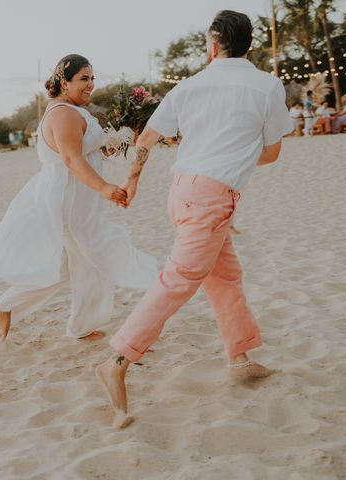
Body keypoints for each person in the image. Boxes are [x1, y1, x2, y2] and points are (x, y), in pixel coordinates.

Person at [95, 10, 293, 428]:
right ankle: (116, 361)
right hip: (211, 199)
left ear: (213, 45)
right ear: (248, 45)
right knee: (180, 280)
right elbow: (272, 154)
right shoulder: (266, 85)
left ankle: (239, 356)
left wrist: (131, 183)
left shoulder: (189, 86)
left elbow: (146, 139)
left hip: (184, 192)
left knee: (224, 276)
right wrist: (237, 149)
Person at [0, 54, 157, 341]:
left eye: (92, 78)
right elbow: (72, 159)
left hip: (82, 200)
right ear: (64, 82)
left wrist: (121, 139)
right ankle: (145, 290)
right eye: (84, 79)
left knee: (65, 265)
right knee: (94, 256)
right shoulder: (62, 114)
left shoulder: (73, 111)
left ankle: (10, 307)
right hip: (71, 201)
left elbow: (88, 151)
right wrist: (105, 187)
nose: (91, 84)